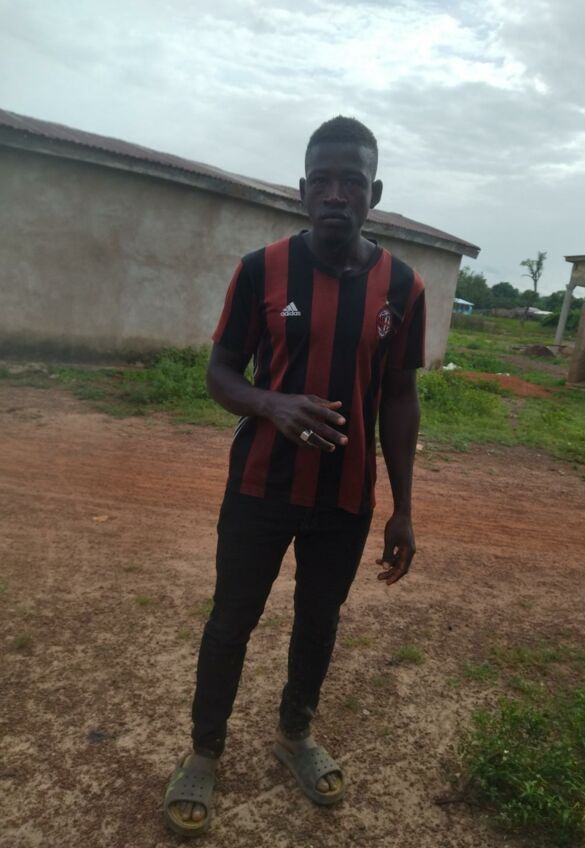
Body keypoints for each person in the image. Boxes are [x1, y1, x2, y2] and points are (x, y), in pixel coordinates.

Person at [163, 115, 426, 837]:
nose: (336, 193)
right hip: (259, 487)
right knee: (231, 620)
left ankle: (294, 734)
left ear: (374, 193)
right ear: (303, 190)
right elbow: (220, 373)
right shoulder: (261, 270)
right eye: (323, 180)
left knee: (319, 621)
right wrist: (269, 403)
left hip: (346, 497)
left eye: (352, 181)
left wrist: (403, 507)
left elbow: (400, 397)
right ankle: (204, 751)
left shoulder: (404, 286)